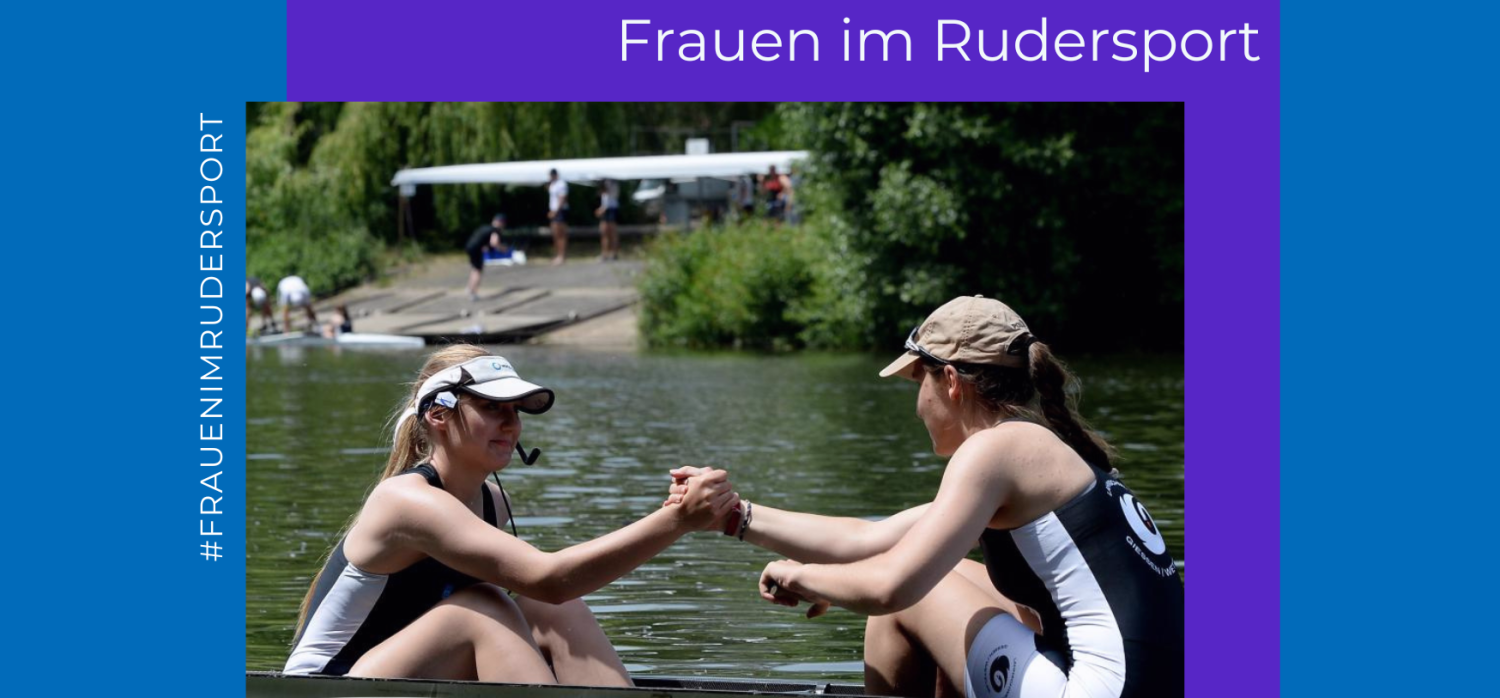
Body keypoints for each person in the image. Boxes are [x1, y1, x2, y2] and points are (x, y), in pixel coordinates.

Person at [668, 296, 1184, 698]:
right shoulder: (1039, 449)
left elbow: (890, 587)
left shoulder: (992, 450)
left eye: (919, 381)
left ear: (952, 382)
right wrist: (734, 515)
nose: (917, 404)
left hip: (1101, 690)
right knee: (950, 572)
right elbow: (867, 539)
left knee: (906, 600)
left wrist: (803, 577)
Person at [286, 345, 740, 682]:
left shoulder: (494, 503)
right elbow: (550, 578)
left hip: (396, 678)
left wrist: (673, 512)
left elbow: (552, 594)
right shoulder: (405, 500)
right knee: (485, 606)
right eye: (491, 407)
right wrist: (676, 521)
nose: (511, 423)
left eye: (515, 410)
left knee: (550, 610)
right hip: (325, 687)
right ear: (439, 415)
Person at [466, 213, 509, 301]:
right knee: (478, 271)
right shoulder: (495, 230)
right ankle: (473, 293)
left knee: (475, 268)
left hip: (469, 246)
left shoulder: (485, 227)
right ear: (501, 223)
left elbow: (481, 240)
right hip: (476, 249)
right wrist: (502, 249)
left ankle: (469, 288)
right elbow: (494, 243)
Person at [594, 179, 620, 261]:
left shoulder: (614, 183)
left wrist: (602, 209)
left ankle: (614, 253)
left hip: (611, 209)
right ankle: (604, 254)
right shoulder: (603, 181)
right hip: (605, 209)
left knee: (612, 233)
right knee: (604, 232)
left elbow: (612, 196)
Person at [547, 169, 569, 265]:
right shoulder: (553, 184)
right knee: (555, 234)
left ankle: (562, 256)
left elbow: (562, 198)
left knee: (561, 234)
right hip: (554, 211)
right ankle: (557, 255)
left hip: (560, 211)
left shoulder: (561, 184)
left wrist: (556, 211)